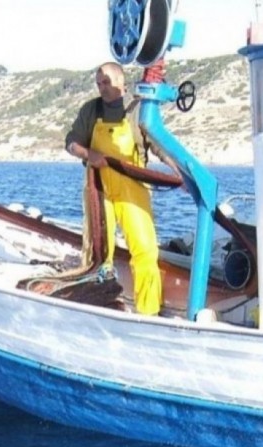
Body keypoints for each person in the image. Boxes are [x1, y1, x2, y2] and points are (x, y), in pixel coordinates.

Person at [64, 62, 167, 316]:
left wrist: (180, 173)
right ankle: (97, 305)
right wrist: (88, 153)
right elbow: (70, 143)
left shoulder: (138, 109)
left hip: (133, 189)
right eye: (99, 83)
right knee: (98, 252)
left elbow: (159, 145)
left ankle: (149, 311)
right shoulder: (91, 110)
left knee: (145, 249)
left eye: (107, 82)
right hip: (98, 189)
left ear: (121, 82)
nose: (102, 88)